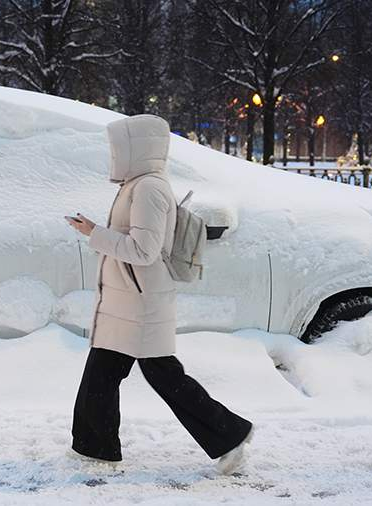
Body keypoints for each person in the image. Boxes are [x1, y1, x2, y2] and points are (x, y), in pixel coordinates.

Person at [64, 114, 254, 475]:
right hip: (126, 301)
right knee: (101, 373)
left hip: (140, 303)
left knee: (164, 376)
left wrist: (94, 233)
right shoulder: (136, 185)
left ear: (137, 148)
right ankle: (94, 447)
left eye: (118, 147)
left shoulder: (148, 188)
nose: (113, 153)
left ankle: (230, 435)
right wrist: (96, 232)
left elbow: (144, 250)